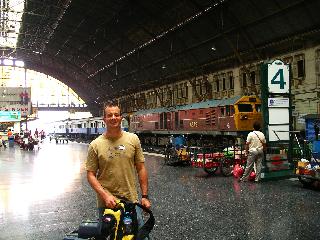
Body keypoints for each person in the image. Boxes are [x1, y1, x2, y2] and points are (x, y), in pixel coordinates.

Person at [86, 102, 151, 237]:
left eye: (116, 115)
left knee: (138, 235)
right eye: (109, 115)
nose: (113, 118)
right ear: (104, 119)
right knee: (107, 236)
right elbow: (91, 175)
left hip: (131, 200)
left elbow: (141, 168)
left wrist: (144, 196)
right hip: (106, 203)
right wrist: (105, 196)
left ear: (121, 118)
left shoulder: (133, 139)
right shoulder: (95, 145)